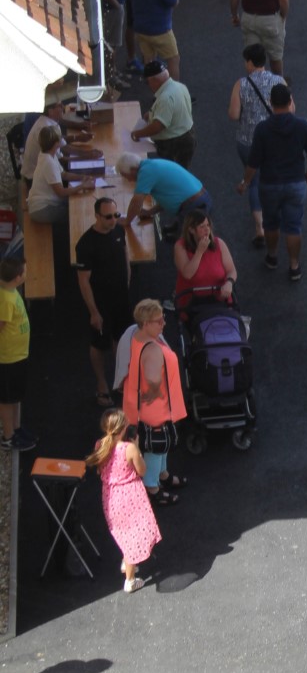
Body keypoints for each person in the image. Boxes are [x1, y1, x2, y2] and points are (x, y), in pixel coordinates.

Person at [239, 83, 307, 283]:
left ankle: (272, 256)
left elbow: (254, 161)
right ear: (290, 101)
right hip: (295, 184)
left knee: (271, 223)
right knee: (293, 226)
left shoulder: (263, 129)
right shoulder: (303, 126)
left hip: (270, 185)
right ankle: (294, 266)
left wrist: (245, 182)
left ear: (270, 103)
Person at [120, 299, 187, 507]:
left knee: (158, 446)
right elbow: (153, 378)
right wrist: (156, 391)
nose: (163, 324)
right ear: (146, 323)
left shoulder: (137, 336)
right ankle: (153, 487)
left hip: (139, 405)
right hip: (156, 408)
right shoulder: (152, 350)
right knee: (156, 447)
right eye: (159, 321)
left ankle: (163, 474)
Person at [86, 409, 161, 594]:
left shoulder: (99, 445)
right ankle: (130, 580)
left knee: (123, 532)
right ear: (123, 427)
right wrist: (137, 447)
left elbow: (99, 471)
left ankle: (128, 562)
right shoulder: (129, 448)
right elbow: (142, 470)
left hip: (110, 497)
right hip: (131, 497)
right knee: (135, 534)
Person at [75, 198, 131, 408]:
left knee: (122, 339)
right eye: (108, 217)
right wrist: (93, 312)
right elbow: (83, 280)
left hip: (121, 298)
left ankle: (120, 380)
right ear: (97, 216)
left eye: (116, 215)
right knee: (99, 344)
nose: (113, 220)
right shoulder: (86, 244)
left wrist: (127, 282)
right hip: (100, 303)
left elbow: (125, 256)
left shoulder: (118, 232)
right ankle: (101, 385)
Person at [228, 45, 279, 249]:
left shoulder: (241, 84)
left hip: (247, 141)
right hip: (274, 141)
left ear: (249, 62)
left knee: (254, 181)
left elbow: (233, 114)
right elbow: (290, 108)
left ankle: (259, 227)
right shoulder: (278, 81)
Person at [116, 152, 211, 231]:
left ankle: (185, 232)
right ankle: (180, 227)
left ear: (133, 170)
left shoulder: (145, 172)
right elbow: (167, 197)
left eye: (125, 175)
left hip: (194, 206)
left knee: (187, 243)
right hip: (200, 198)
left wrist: (127, 221)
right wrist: (150, 212)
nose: (128, 180)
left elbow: (136, 202)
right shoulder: (151, 165)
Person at [0, 256, 36, 452]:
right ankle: (8, 436)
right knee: (7, 398)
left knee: (16, 395)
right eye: (25, 271)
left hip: (18, 355)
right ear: (17, 277)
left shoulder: (11, 291)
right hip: (8, 358)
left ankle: (16, 428)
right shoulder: (5, 299)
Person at [131, 60, 195, 167]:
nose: (148, 85)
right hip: (187, 136)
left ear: (155, 80)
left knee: (172, 174)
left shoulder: (165, 98)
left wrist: (137, 134)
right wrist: (152, 113)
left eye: (147, 82)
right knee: (181, 172)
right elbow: (175, 109)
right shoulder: (179, 86)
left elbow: (157, 127)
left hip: (174, 144)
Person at [174, 211, 237, 315]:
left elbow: (231, 270)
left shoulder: (219, 243)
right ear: (191, 230)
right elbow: (188, 274)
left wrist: (229, 282)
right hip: (193, 303)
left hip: (219, 300)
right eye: (202, 226)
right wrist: (199, 252)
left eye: (208, 225)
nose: (207, 229)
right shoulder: (180, 246)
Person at [27, 126, 94, 223]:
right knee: (75, 212)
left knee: (74, 202)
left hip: (47, 203)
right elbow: (61, 192)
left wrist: (83, 177)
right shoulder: (48, 163)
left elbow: (64, 174)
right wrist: (82, 186)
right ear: (56, 144)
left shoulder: (47, 154)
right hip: (42, 209)